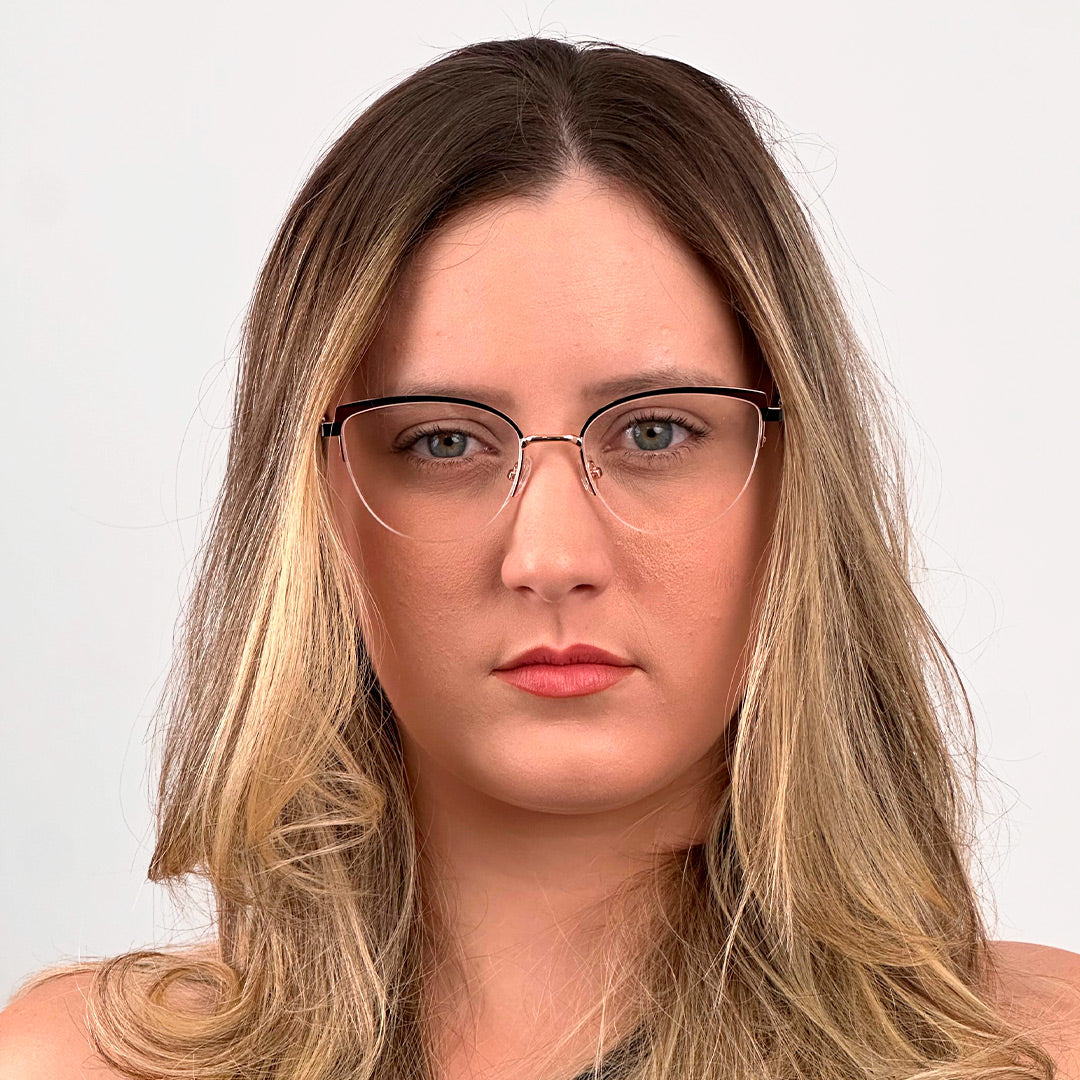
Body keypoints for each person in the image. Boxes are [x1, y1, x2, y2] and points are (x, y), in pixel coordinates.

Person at [1, 33, 1077, 1080]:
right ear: (310, 508)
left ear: (799, 479)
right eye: (444, 443)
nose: (552, 557)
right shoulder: (82, 1067)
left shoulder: (1034, 1056)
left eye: (656, 431)